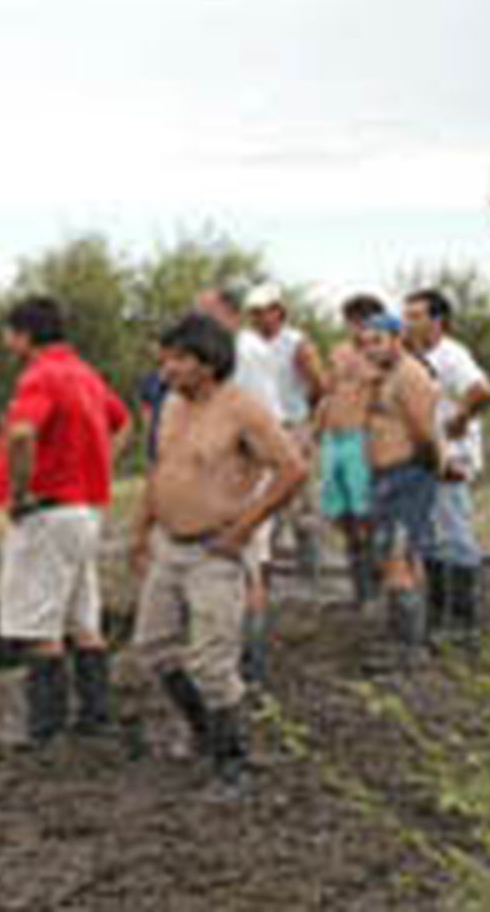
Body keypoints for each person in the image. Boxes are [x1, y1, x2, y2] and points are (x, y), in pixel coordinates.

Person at [128, 312, 305, 793]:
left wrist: (246, 527)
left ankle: (234, 765)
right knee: (154, 646)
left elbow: (292, 468)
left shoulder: (243, 409)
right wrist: (140, 531)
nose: (167, 370)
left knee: (211, 661)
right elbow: (161, 470)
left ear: (207, 363)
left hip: (215, 550)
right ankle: (203, 731)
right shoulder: (170, 407)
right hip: (169, 545)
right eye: (165, 360)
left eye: (178, 360)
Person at [0, 295, 131, 744]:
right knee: (82, 618)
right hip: (85, 509)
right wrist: (101, 463)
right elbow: (123, 420)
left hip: (48, 510)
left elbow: (22, 432)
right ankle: (95, 717)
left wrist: (19, 492)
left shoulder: (40, 376)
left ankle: (45, 730)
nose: (5, 341)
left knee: (40, 623)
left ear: (24, 335)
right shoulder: (84, 374)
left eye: (8, 332)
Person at [194, 283, 282, 686]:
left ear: (230, 313)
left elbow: (260, 419)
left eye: (205, 313)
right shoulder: (228, 352)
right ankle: (229, 655)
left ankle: (253, 664)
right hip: (226, 471)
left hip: (248, 472)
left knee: (249, 564)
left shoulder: (246, 354)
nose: (198, 322)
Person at [403, 288, 490, 650]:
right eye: (407, 316)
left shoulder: (452, 355)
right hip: (427, 456)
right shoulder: (415, 355)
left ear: (437, 321)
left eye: (416, 316)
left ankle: (463, 625)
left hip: (453, 457)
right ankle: (439, 616)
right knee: (430, 535)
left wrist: (461, 417)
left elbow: (484, 390)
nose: (409, 323)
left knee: (454, 535)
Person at [360, 312, 441, 670]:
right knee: (402, 557)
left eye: (377, 341)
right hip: (388, 476)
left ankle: (409, 651)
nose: (370, 349)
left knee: (399, 558)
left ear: (397, 338)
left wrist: (423, 468)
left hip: (407, 475)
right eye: (365, 343)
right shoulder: (388, 375)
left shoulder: (410, 375)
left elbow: (424, 433)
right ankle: (405, 639)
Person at [243, 283, 328, 581]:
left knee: (302, 496)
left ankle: (310, 570)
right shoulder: (248, 343)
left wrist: (307, 424)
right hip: (262, 425)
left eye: (262, 312)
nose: (256, 319)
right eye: (252, 313)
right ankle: (267, 566)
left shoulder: (297, 343)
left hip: (293, 423)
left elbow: (320, 385)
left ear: (278, 312)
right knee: (265, 494)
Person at [316, 294, 387, 608]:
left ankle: (373, 588)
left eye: (362, 322)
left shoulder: (385, 354)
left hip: (362, 438)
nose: (355, 329)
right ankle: (358, 584)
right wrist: (314, 429)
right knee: (339, 513)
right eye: (351, 322)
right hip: (333, 437)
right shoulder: (339, 351)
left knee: (365, 513)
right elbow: (328, 391)